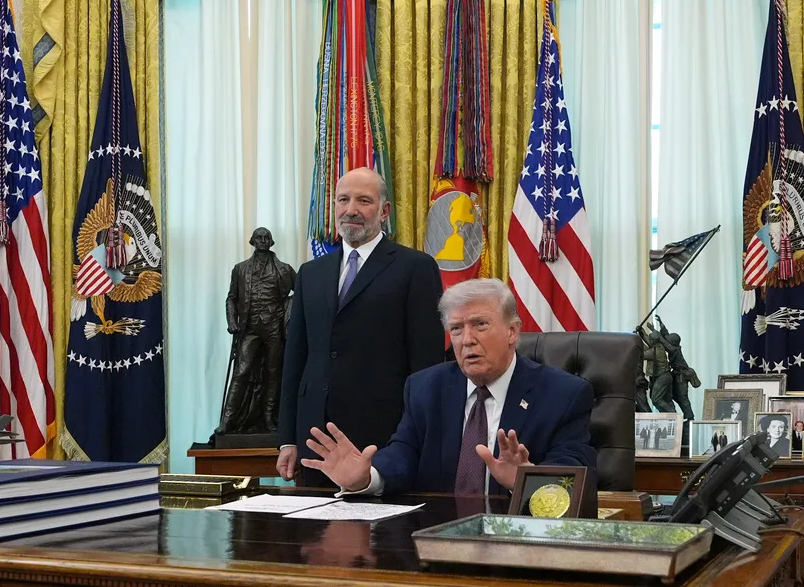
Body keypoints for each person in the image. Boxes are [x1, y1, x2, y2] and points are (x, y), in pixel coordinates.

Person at [297, 278, 595, 496]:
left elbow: (574, 475)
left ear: (513, 332)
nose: (466, 340)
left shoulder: (563, 395)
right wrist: (366, 478)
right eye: (456, 328)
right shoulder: (425, 388)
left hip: (520, 545)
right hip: (434, 540)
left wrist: (529, 481)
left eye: (480, 325)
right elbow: (404, 454)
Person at [277, 168, 445, 486]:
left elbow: (427, 366)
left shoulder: (416, 268)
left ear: (383, 211)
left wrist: (420, 439)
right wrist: (287, 438)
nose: (351, 209)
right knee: (310, 535)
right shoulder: (310, 272)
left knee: (378, 536)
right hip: (315, 441)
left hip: (383, 441)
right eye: (343, 199)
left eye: (363, 200)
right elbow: (295, 360)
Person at [219, 227, 296, 434]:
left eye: (266, 238)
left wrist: (289, 314)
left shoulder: (285, 269)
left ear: (272, 242)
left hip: (274, 327)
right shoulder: (240, 269)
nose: (262, 241)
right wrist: (232, 321)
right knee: (241, 372)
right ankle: (227, 421)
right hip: (250, 327)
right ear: (252, 241)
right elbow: (231, 298)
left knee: (273, 373)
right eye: (259, 237)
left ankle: (269, 418)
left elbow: (302, 293)